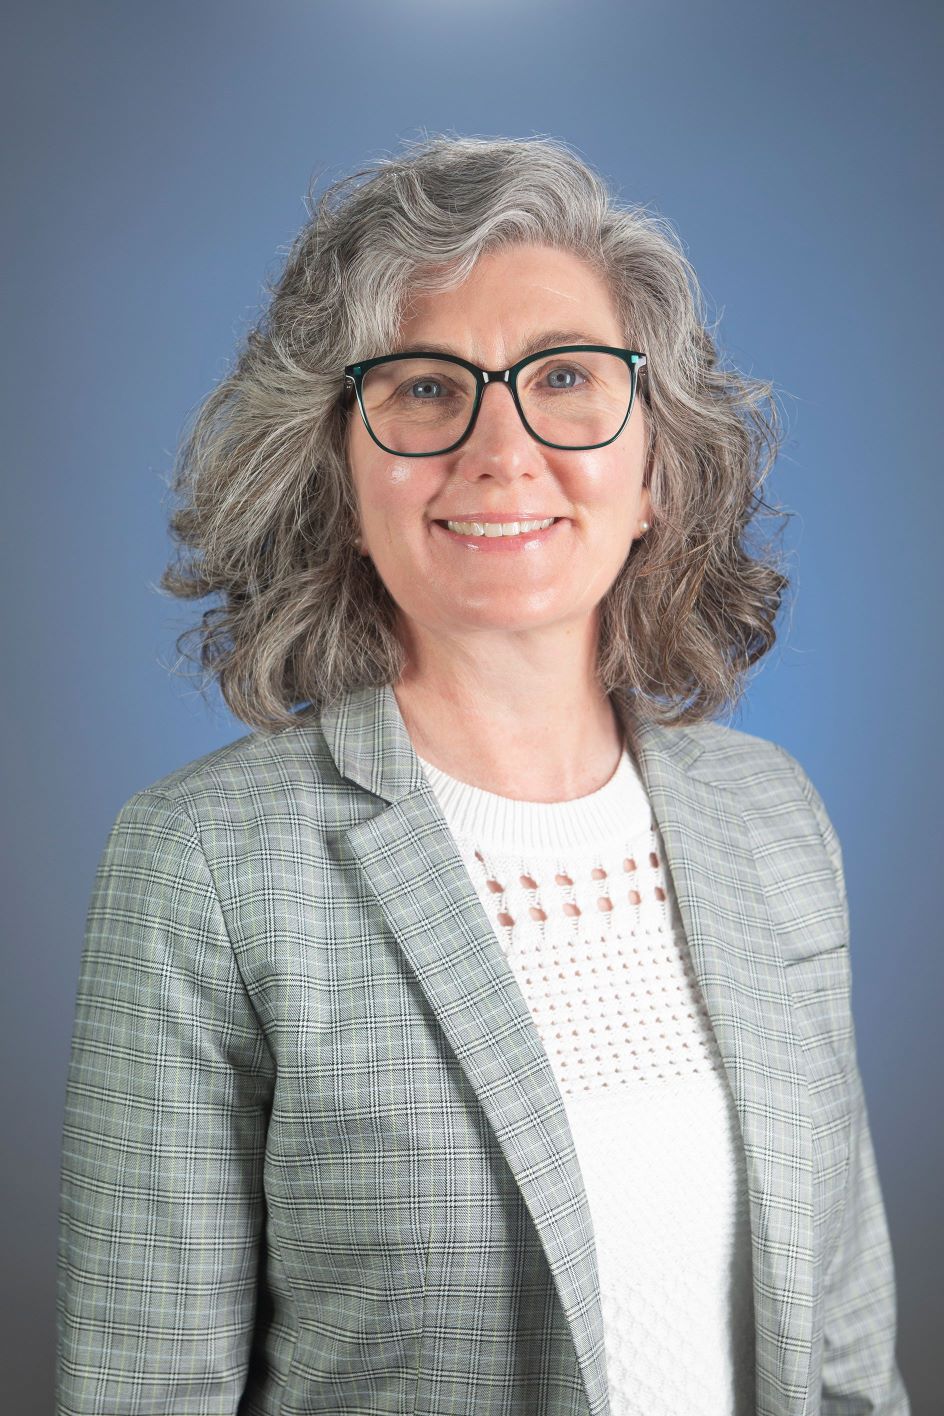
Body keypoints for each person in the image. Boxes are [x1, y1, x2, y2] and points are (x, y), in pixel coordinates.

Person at [56, 134, 910, 1416]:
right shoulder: (205, 865)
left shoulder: (773, 820)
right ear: (341, 478)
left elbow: (844, 1353)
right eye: (422, 388)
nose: (500, 450)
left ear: (654, 475)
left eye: (563, 377)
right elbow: (145, 1385)